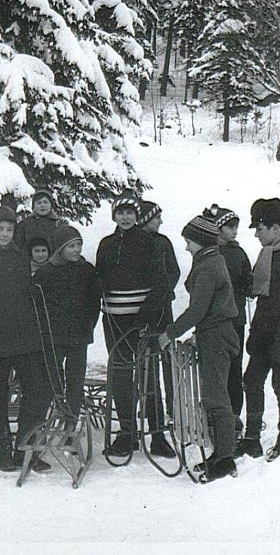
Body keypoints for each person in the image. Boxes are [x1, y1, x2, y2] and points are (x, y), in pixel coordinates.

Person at [158, 213, 240, 482]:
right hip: (215, 334)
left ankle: (225, 459)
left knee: (216, 398)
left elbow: (197, 310)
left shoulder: (208, 266)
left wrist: (169, 334)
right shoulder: (211, 260)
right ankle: (220, 454)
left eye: (189, 242)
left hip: (217, 336)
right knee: (215, 396)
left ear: (201, 242)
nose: (186, 247)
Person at [0, 206, 52, 472]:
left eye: (9, 229)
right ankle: (3, 447)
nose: (5, 234)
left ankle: (27, 447)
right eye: (0, 229)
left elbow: (26, 295)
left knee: (35, 391)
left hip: (24, 337)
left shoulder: (19, 257)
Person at [96, 190, 174, 458]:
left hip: (142, 322)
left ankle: (157, 436)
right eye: (120, 212)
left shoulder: (149, 243)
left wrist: (146, 319)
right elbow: (100, 279)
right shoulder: (106, 244)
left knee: (149, 376)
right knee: (120, 375)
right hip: (114, 321)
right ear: (114, 216)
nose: (125, 217)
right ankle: (127, 435)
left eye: (130, 212)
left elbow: (162, 283)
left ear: (137, 215)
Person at [236, 198, 280, 462]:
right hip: (264, 332)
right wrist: (256, 333)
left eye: (260, 228)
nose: (255, 234)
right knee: (252, 380)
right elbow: (260, 294)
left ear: (275, 229)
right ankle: (252, 438)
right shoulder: (267, 253)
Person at [33, 226, 100, 418]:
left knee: (75, 384)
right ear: (60, 248)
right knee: (50, 382)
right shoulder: (46, 272)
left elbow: (94, 302)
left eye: (79, 245)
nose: (77, 250)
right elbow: (36, 303)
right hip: (54, 338)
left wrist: (88, 325)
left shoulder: (87, 270)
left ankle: (71, 424)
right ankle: (41, 422)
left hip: (79, 337)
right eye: (71, 246)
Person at [204, 204, 253, 438]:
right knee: (216, 370)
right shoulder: (208, 252)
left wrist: (247, 288)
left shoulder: (238, 253)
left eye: (236, 228)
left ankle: (234, 415)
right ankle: (215, 415)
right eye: (229, 227)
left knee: (235, 367)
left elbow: (248, 280)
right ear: (218, 228)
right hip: (213, 321)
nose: (234, 232)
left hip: (236, 320)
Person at [138, 200, 180, 427]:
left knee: (165, 356)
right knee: (146, 359)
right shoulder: (135, 242)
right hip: (141, 309)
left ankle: (173, 406)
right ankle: (149, 408)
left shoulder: (163, 242)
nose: (160, 222)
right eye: (156, 218)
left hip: (163, 309)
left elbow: (174, 271)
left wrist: (162, 292)